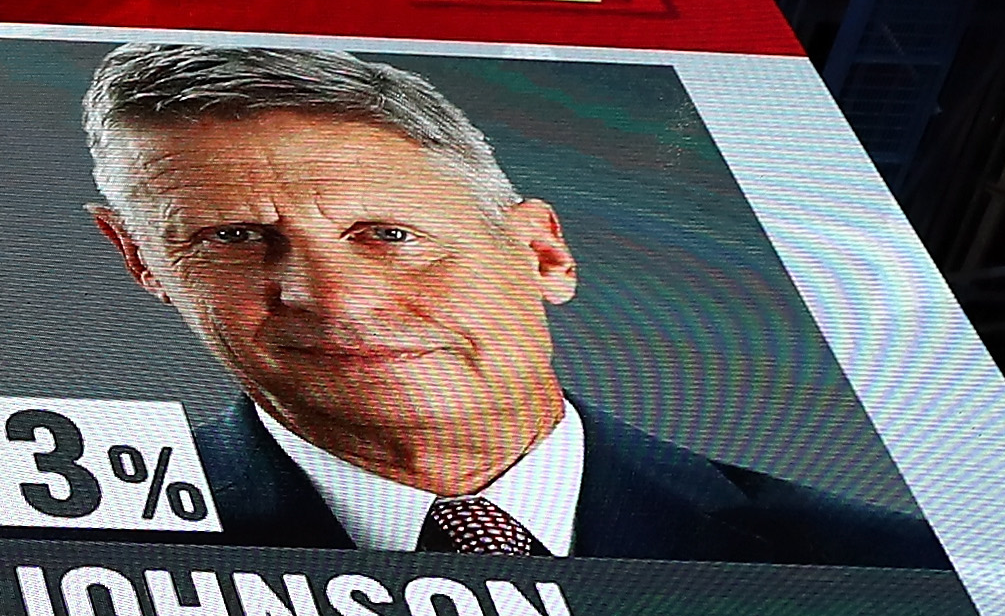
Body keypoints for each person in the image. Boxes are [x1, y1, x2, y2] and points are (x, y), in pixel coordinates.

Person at [81, 40, 936, 566]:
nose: (332, 298)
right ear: (140, 259)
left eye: (387, 234)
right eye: (231, 238)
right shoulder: (50, 555)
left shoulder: (879, 568)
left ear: (540, 253)